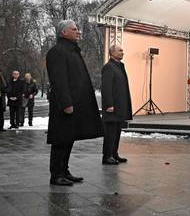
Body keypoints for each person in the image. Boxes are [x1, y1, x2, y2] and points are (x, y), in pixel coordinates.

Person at [46, 20, 103, 186]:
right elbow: (59, 80)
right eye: (74, 29)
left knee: (69, 138)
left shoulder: (71, 51)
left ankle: (64, 171)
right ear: (63, 32)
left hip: (75, 104)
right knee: (61, 140)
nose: (78, 31)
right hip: (65, 105)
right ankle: (56, 175)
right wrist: (66, 103)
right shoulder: (57, 51)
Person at [101, 44, 133, 165]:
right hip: (112, 107)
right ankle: (107, 156)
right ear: (112, 53)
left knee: (117, 132)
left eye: (122, 50)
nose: (122, 52)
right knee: (110, 133)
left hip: (120, 106)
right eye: (120, 51)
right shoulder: (108, 67)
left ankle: (114, 154)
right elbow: (106, 87)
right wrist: (109, 104)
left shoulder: (119, 67)